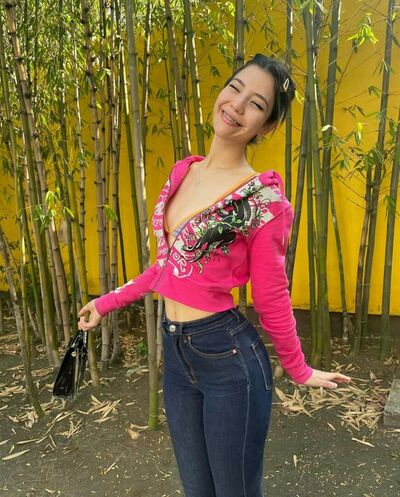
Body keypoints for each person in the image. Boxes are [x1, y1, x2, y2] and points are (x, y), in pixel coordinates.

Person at [78, 53, 352, 497]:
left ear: (266, 127)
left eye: (256, 104)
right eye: (235, 88)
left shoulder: (263, 201)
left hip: (228, 358)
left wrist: (298, 368)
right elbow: (166, 266)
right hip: (176, 352)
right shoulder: (183, 171)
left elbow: (271, 296)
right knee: (197, 489)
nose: (237, 105)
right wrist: (105, 303)